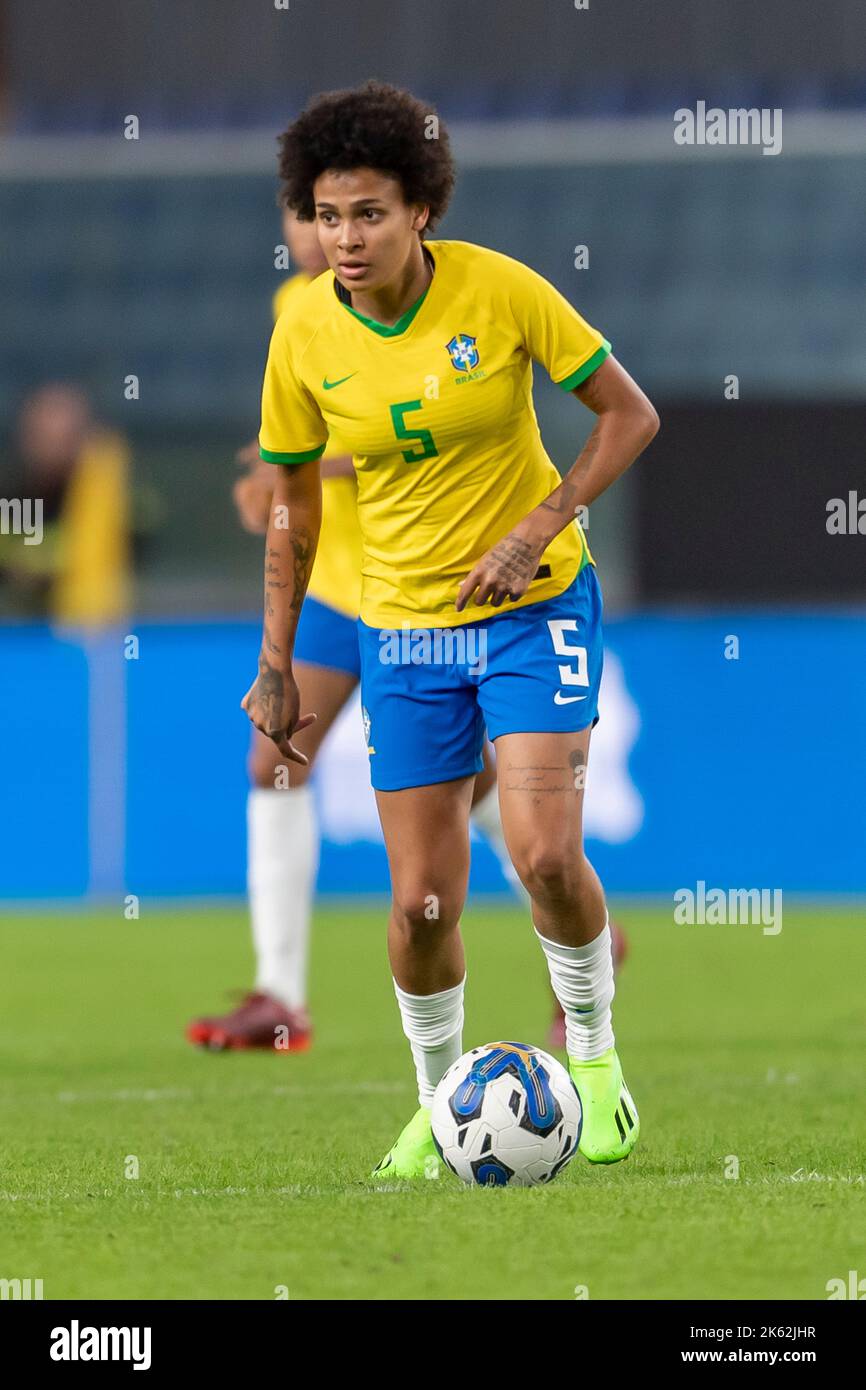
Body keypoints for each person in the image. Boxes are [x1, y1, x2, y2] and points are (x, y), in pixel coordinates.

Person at [243, 81, 658, 1176]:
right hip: (406, 634)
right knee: (421, 903)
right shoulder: (304, 341)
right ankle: (439, 1108)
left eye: (368, 212)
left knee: (542, 853)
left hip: (533, 610)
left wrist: (539, 522)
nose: (344, 237)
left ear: (419, 208)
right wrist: (276, 660)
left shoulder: (500, 293)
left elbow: (629, 413)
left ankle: (601, 1066)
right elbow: (293, 502)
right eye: (327, 215)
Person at [187, 209, 532, 1052]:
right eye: (303, 214)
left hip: (418, 579)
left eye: (337, 214)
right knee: (274, 763)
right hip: (340, 585)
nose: (316, 232)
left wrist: (290, 466)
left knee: (465, 783)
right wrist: (280, 475)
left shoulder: (439, 302)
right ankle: (279, 995)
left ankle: (561, 909)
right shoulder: (296, 309)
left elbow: (414, 427)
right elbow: (309, 443)